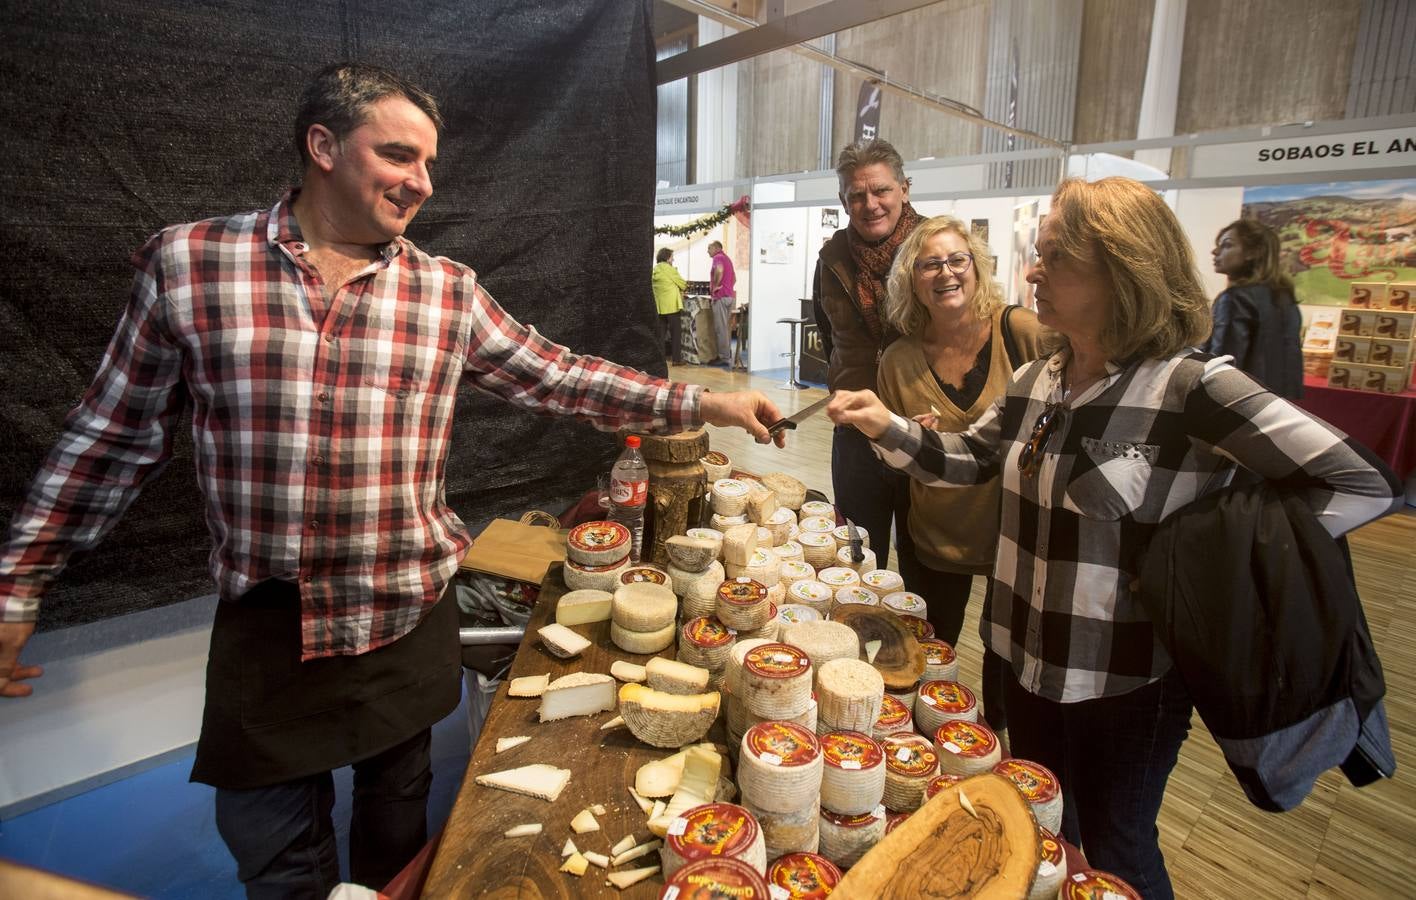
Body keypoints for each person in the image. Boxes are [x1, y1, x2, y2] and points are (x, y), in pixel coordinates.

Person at [0, 63, 784, 899]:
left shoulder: (445, 292)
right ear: (323, 145)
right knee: (277, 857)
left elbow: (562, 377)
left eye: (429, 164)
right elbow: (110, 438)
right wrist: (17, 586)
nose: (421, 183)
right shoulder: (191, 266)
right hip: (272, 627)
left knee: (396, 841)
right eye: (399, 156)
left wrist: (706, 402)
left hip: (406, 612)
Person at [828, 176, 1400, 898]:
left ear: (1123, 267)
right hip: (1020, 661)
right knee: (1044, 828)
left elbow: (1360, 482)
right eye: (1037, 254)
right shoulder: (1041, 379)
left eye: (1054, 256)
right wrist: (884, 423)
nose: (1033, 271)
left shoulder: (1191, 390)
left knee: (1118, 843)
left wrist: (1224, 562)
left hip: (1126, 683)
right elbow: (966, 460)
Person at [875, 215, 1049, 736]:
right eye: (930, 264)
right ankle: (928, 747)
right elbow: (886, 452)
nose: (946, 273)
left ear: (976, 267)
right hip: (937, 533)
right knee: (930, 653)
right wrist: (905, 437)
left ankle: (997, 755)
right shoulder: (899, 359)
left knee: (1005, 672)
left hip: (1013, 541)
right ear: (913, 279)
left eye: (957, 260)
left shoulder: (1019, 332)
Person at [816, 138, 924, 576]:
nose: (870, 204)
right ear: (844, 200)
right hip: (856, 431)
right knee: (857, 554)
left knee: (924, 564)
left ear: (905, 188)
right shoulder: (832, 257)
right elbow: (828, 334)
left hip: (922, 427)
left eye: (880, 190)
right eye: (857, 195)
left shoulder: (933, 247)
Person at [1206, 217, 1303, 398]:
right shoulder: (1285, 298)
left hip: (1241, 403)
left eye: (1226, 245)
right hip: (1279, 403)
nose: (1215, 251)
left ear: (1253, 252)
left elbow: (1223, 364)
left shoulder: (1235, 299)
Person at [652, 246, 687, 364]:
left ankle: (660, 359)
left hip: (660, 308)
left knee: (661, 335)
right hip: (672, 306)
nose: (673, 260)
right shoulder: (669, 269)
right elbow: (683, 284)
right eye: (672, 257)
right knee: (676, 334)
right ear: (667, 258)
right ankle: (676, 359)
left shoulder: (655, 270)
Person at [707, 239, 736, 366]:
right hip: (729, 296)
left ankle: (723, 357)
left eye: (709, 248)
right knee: (725, 328)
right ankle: (726, 354)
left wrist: (715, 287)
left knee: (720, 328)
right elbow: (734, 278)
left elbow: (719, 270)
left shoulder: (717, 257)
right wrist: (727, 286)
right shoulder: (727, 259)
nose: (707, 251)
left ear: (715, 248)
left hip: (721, 297)